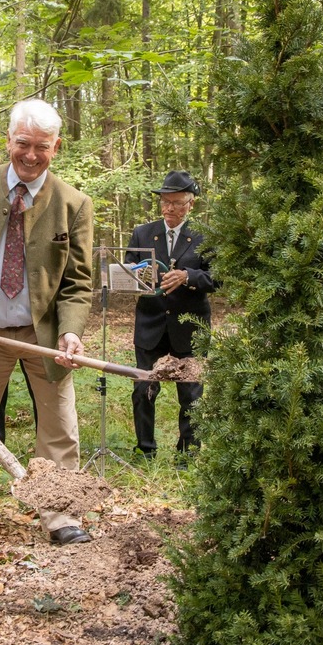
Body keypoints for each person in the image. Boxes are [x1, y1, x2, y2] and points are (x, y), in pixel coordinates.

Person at [0, 98, 95, 546]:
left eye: (42, 147)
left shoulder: (74, 203)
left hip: (45, 337)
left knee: (59, 426)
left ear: (56, 147)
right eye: (23, 144)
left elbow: (77, 282)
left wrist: (70, 331)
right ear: (8, 140)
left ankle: (61, 515)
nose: (31, 155)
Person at [125, 170, 214, 462]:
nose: (168, 208)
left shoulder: (205, 236)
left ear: (191, 204)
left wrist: (188, 276)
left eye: (176, 202)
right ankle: (145, 450)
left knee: (190, 394)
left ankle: (187, 454)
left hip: (189, 326)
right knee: (143, 390)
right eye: (164, 202)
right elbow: (126, 271)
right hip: (150, 325)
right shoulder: (142, 232)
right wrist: (141, 277)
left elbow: (219, 278)